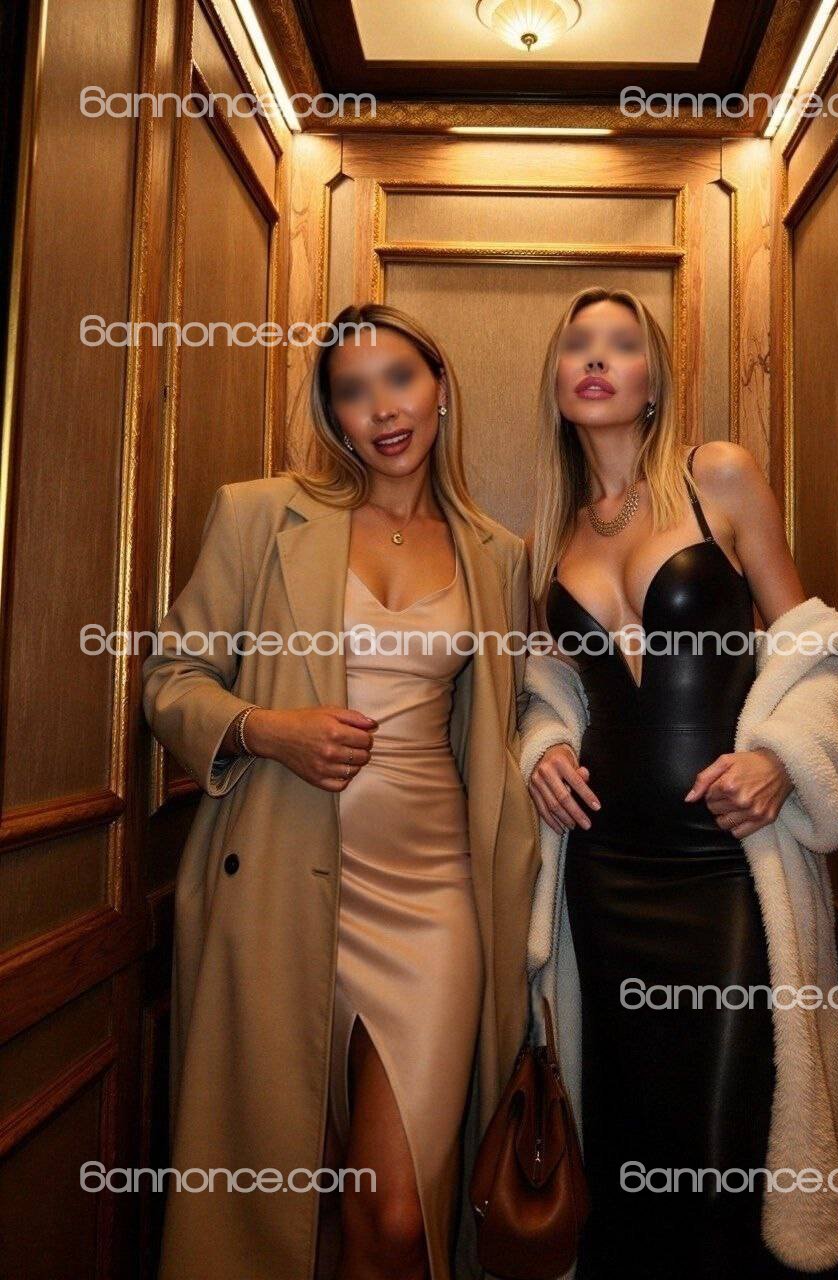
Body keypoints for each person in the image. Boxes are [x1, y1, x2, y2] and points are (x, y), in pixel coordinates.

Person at [143, 304, 538, 1280]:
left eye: (400, 378)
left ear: (439, 386)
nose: (383, 409)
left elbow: (519, 711)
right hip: (278, 876)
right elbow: (170, 679)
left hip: (434, 893)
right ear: (333, 415)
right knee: (283, 1200)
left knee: (396, 1218)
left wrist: (556, 748)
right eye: (353, 392)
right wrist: (265, 729)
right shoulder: (259, 515)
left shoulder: (497, 554)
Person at [526, 286, 814, 1278]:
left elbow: (809, 644)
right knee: (624, 1128)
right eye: (578, 344)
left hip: (724, 856)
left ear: (653, 381)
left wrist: (783, 756)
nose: (596, 358)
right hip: (603, 865)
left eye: (622, 343)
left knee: (721, 1137)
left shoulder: (716, 475)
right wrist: (542, 750)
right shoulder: (550, 533)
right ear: (557, 380)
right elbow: (546, 693)